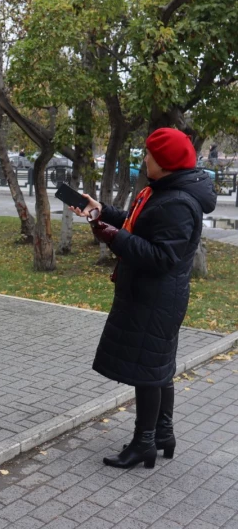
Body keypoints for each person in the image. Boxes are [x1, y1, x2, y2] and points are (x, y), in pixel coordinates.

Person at [71, 127, 216, 469]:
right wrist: (102, 212)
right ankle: (163, 433)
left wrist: (112, 238)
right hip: (152, 297)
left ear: (164, 163)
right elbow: (139, 225)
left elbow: (161, 257)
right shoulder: (163, 191)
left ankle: (144, 443)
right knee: (159, 369)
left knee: (148, 372)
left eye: (149, 154)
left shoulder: (178, 202)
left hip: (156, 299)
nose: (144, 159)